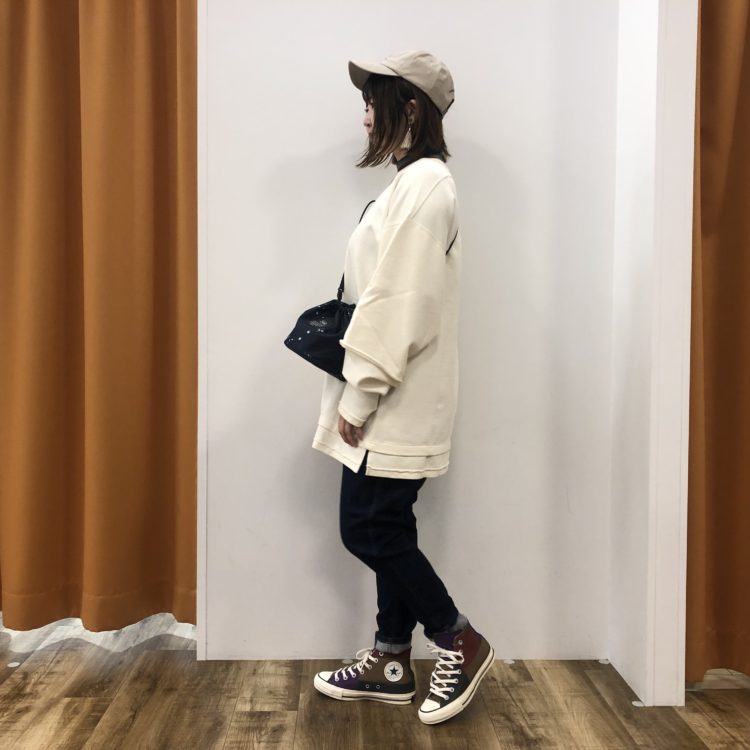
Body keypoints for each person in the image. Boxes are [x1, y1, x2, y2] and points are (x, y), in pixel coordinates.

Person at [311, 50, 494, 725]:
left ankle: (458, 638)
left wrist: (360, 393)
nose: (365, 117)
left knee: (366, 527)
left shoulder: (426, 188)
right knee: (387, 524)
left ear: (410, 109)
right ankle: (392, 661)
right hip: (391, 390)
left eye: (374, 102)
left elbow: (400, 305)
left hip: (393, 394)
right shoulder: (412, 185)